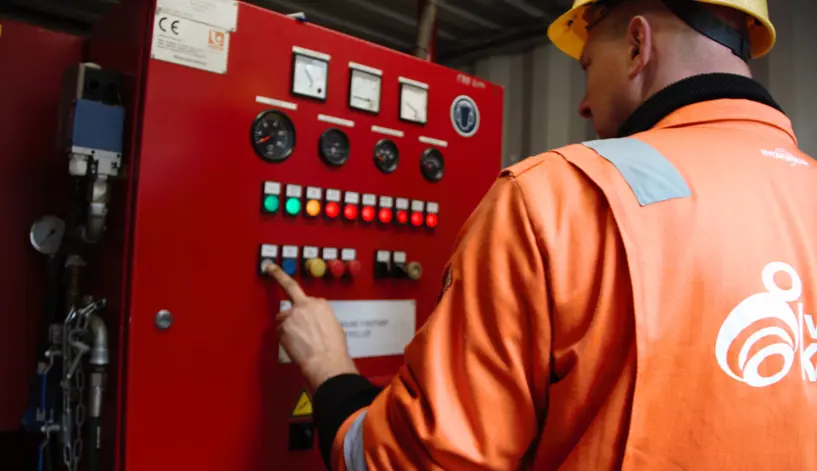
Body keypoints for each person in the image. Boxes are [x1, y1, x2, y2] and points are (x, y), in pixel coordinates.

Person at [266, 0, 817, 469]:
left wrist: (330, 371)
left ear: (636, 44)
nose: (581, 103)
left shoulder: (556, 196)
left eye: (585, 64)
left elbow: (420, 460)